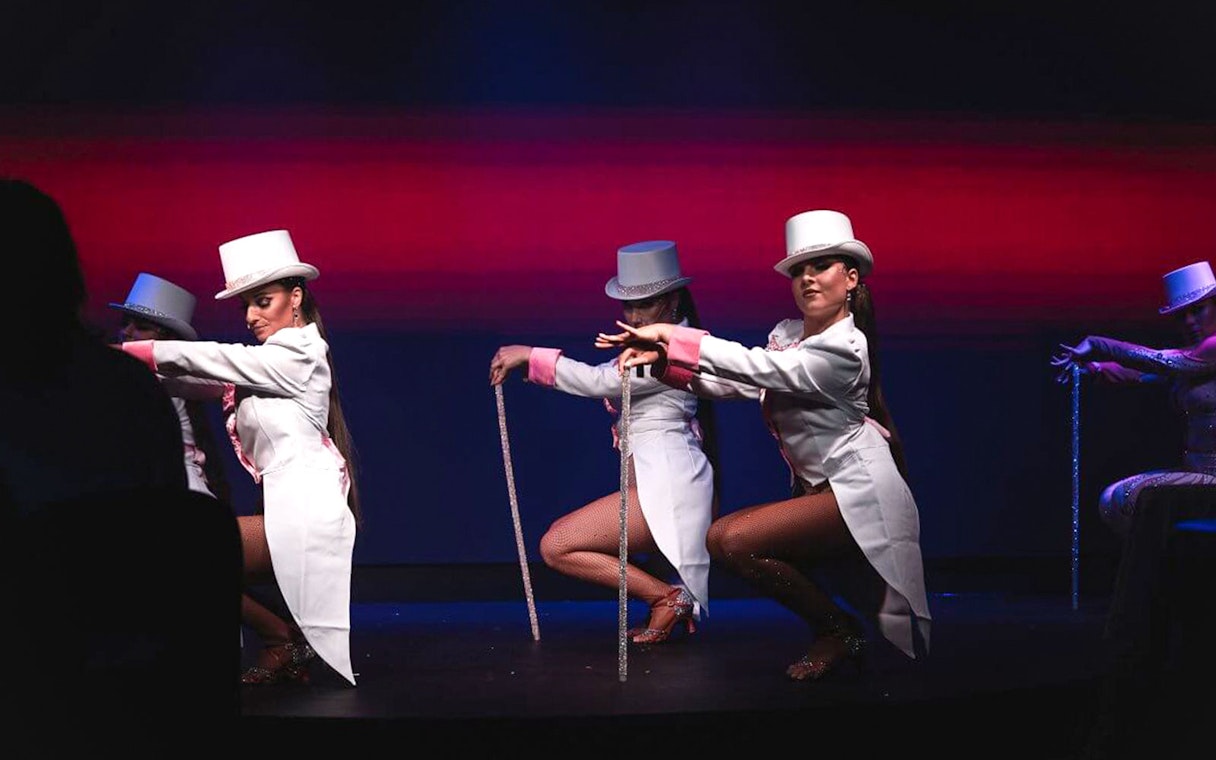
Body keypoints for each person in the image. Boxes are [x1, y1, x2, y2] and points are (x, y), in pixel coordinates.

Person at [596, 210, 931, 680]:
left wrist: (673, 335)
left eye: (822, 267)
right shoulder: (789, 335)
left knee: (730, 539)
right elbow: (741, 385)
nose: (808, 279)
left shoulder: (844, 348)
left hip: (859, 491)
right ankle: (841, 630)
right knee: (739, 544)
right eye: (799, 271)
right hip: (820, 491)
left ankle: (839, 631)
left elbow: (760, 369)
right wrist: (662, 364)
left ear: (851, 278)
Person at [0, 178, 242, 749]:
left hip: (63, 665)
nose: (130, 332)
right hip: (129, 675)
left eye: (143, 326)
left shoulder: (136, 382)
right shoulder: (128, 385)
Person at [119, 229, 361, 687]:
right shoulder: (269, 365)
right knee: (179, 555)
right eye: (245, 306)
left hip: (307, 516)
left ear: (295, 297)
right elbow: (197, 382)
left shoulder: (301, 354)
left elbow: (216, 359)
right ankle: (278, 640)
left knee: (183, 550)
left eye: (262, 302)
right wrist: (124, 370)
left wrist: (132, 353)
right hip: (290, 511)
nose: (251, 316)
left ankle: (278, 638)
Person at [489, 240, 720, 643]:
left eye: (645, 304)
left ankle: (668, 597)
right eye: (628, 306)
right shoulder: (650, 345)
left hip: (669, 486)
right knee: (559, 544)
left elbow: (604, 382)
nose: (633, 315)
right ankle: (666, 599)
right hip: (658, 483)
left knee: (558, 544)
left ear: (672, 300)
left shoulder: (672, 348)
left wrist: (531, 355)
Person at [1052, 260, 1216, 538]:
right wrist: (1094, 369)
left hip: (1212, 477)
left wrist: (1099, 344)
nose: (1189, 321)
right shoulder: (1194, 354)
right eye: (1181, 315)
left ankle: (1165, 574)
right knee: (1115, 500)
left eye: (1198, 310)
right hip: (1198, 473)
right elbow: (1141, 373)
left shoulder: (1211, 349)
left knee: (1126, 498)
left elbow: (1161, 362)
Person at [109, 272, 231, 503]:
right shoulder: (121, 377)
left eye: (141, 327)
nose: (127, 332)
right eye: (126, 322)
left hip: (174, 489)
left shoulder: (174, 380)